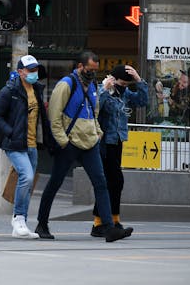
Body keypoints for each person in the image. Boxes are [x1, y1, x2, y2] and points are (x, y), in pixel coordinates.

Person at [34, 51, 130, 242]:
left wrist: (97, 131)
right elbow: (54, 116)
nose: (93, 73)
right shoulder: (66, 84)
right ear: (79, 66)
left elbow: (94, 112)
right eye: (90, 69)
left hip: (90, 142)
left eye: (95, 70)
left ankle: (109, 227)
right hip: (69, 142)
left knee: (101, 183)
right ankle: (42, 224)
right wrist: (63, 141)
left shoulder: (93, 85)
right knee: (55, 182)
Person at [0, 55, 46, 239]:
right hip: (15, 144)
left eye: (35, 69)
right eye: (30, 70)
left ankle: (20, 225)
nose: (33, 73)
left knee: (28, 183)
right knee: (27, 177)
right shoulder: (10, 90)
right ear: (20, 71)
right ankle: (18, 218)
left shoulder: (37, 89)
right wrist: (11, 132)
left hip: (32, 144)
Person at [93, 64, 147, 237]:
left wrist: (139, 81)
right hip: (104, 143)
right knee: (113, 181)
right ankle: (106, 222)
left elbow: (143, 101)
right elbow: (95, 109)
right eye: (121, 84)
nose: (123, 87)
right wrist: (104, 90)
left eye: (126, 85)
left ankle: (106, 221)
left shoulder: (126, 95)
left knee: (112, 182)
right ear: (113, 79)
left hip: (118, 141)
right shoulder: (104, 91)